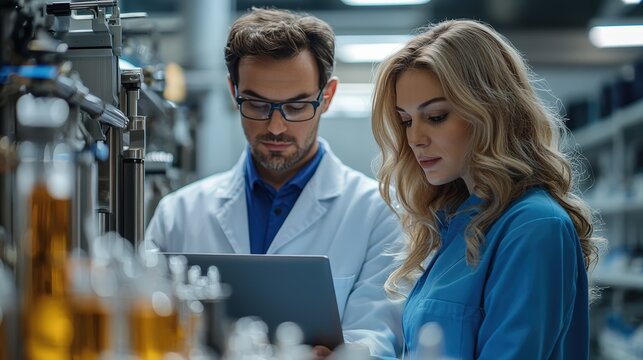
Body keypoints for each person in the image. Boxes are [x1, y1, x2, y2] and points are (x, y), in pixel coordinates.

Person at [145, 7, 401, 358]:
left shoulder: (378, 215)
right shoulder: (178, 214)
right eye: (257, 104)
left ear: (326, 97)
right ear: (233, 91)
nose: (277, 127)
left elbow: (377, 337)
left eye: (296, 107)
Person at [371, 19, 604, 359]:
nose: (415, 138)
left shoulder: (534, 226)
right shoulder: (460, 221)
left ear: (490, 112)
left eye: (435, 116)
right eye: (406, 120)